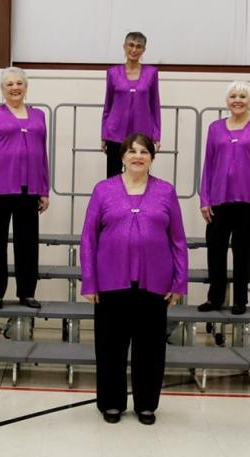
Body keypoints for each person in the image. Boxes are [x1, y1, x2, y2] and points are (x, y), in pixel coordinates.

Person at [81, 133, 188, 426]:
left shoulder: (166, 192)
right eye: (132, 151)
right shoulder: (103, 190)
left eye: (144, 151)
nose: (138, 156)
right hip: (110, 282)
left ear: (152, 157)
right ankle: (111, 402)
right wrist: (89, 281)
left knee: (150, 348)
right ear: (123, 156)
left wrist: (179, 282)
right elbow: (89, 238)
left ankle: (146, 404)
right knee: (110, 346)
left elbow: (177, 239)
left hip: (155, 283)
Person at [198, 81, 250, 315]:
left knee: (243, 250)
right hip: (219, 198)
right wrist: (205, 199)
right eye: (233, 96)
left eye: (242, 96)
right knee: (216, 247)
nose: (237, 100)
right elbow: (208, 165)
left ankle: (240, 299)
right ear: (226, 101)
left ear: (249, 100)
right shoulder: (215, 128)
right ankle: (215, 298)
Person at [0, 67, 50, 311]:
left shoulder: (38, 115)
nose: (15, 87)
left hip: (30, 190)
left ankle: (26, 292)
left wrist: (44, 190)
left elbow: (42, 155)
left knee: (27, 243)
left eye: (19, 83)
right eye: (10, 84)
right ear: (2, 89)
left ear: (26, 87)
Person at [101, 31, 161, 178]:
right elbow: (108, 104)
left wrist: (157, 134)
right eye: (131, 45)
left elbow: (155, 105)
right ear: (124, 46)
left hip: (142, 134)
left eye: (139, 46)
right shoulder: (113, 73)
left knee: (139, 176)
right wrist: (104, 133)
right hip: (115, 133)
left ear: (144, 50)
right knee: (113, 177)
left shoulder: (151, 73)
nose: (134, 50)